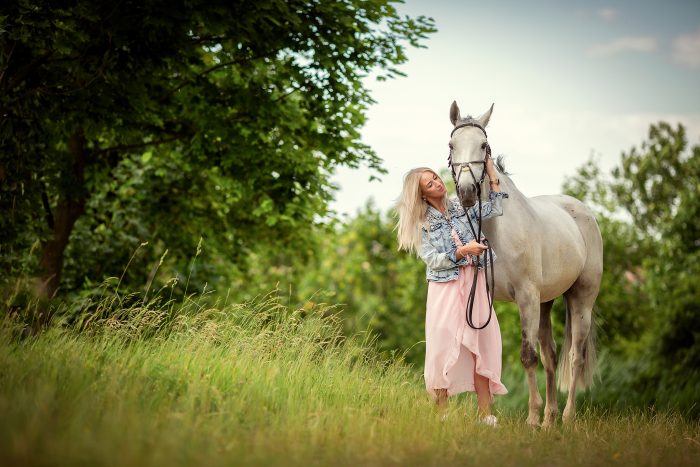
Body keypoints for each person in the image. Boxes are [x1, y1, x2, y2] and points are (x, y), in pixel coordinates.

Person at [396, 159, 509, 426]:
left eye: (436, 177)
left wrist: (491, 172)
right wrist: (462, 251)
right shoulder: (422, 223)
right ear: (422, 193)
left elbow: (495, 207)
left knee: (481, 342)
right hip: (445, 287)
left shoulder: (461, 206)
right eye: (430, 183)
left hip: (474, 282)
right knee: (441, 346)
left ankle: (487, 417)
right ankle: (442, 417)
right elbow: (431, 259)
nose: (437, 182)